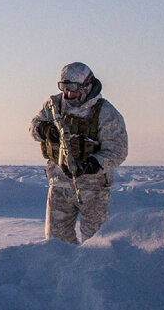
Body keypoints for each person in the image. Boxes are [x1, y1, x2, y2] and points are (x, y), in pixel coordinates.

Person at [29, 62, 128, 244]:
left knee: (96, 242)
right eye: (64, 88)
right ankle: (63, 271)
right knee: (56, 242)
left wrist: (91, 165)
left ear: (86, 86)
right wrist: (44, 130)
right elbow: (33, 127)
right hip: (60, 185)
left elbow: (117, 150)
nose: (68, 94)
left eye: (72, 89)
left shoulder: (106, 113)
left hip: (93, 189)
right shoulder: (54, 106)